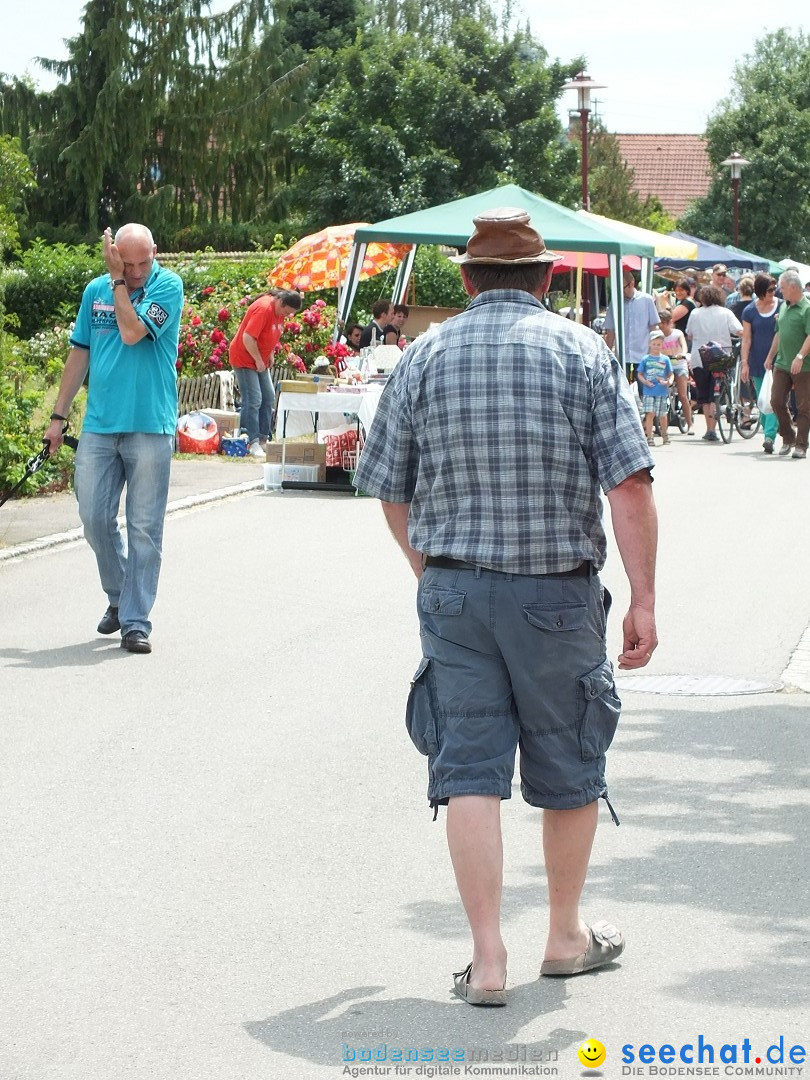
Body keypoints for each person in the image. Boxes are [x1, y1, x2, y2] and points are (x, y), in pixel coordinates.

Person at [353, 207, 658, 1007]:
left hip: (455, 590)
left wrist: (431, 569)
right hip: (558, 593)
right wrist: (646, 600)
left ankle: (487, 961)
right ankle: (563, 936)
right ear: (548, 276)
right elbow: (628, 486)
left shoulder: (423, 354)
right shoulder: (583, 351)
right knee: (569, 765)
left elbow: (386, 485)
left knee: (469, 770)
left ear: (464, 277)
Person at [43, 224, 183, 655]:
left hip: (149, 425)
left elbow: (131, 332)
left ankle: (136, 622)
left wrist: (119, 280)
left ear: (155, 253)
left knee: (144, 529)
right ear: (114, 255)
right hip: (100, 425)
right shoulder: (93, 292)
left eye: (143, 262)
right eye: (128, 262)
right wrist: (58, 415)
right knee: (93, 518)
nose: (137, 271)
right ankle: (120, 597)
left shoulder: (168, 286)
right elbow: (80, 352)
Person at [229, 289, 302, 458]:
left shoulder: (280, 311)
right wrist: (258, 360)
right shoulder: (263, 309)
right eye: (286, 311)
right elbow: (248, 337)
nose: (286, 315)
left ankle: (263, 439)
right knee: (254, 399)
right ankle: (251, 440)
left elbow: (269, 334)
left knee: (268, 397)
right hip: (244, 358)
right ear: (281, 302)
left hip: (259, 359)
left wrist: (269, 353)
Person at [685, 285, 742, 441]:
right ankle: (714, 428)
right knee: (715, 394)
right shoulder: (726, 313)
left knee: (704, 396)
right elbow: (739, 330)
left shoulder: (695, 313)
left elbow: (689, 335)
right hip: (721, 356)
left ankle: (709, 429)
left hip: (700, 357)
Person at [764, 270, 810, 459]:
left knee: (804, 406)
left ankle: (801, 445)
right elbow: (779, 333)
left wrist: (800, 356)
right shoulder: (783, 306)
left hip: (804, 365)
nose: (779, 291)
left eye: (782, 288)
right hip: (782, 363)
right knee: (775, 401)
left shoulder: (807, 308)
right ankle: (788, 437)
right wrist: (769, 357)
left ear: (793, 287)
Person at [741, 274, 780, 453]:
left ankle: (769, 436)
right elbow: (747, 339)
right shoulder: (750, 311)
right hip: (757, 361)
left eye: (774, 289)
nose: (773, 293)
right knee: (762, 399)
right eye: (769, 290)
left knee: (775, 398)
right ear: (760, 291)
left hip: (779, 361)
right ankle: (768, 430)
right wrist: (744, 363)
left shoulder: (782, 306)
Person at [603, 269, 660, 376]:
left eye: (623, 288)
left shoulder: (646, 300)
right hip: (622, 354)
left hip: (643, 353)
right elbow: (610, 330)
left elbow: (653, 327)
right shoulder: (615, 302)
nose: (621, 292)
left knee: (644, 388)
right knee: (621, 388)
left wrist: (654, 352)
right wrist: (608, 354)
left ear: (632, 284)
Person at [658, 310, 693, 434]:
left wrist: (682, 354)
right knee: (660, 394)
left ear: (669, 323)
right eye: (659, 323)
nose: (661, 326)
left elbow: (684, 345)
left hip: (678, 365)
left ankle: (690, 424)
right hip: (664, 366)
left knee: (683, 395)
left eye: (663, 323)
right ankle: (662, 426)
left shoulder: (677, 334)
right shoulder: (657, 336)